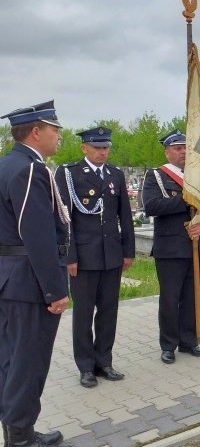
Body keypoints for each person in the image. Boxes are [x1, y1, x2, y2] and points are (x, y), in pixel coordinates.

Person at [0, 101, 71, 447]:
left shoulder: (6, 165)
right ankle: (21, 436)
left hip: (8, 276)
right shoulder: (30, 169)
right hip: (30, 280)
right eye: (54, 129)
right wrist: (55, 290)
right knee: (29, 362)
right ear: (36, 131)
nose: (59, 135)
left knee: (11, 359)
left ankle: (16, 428)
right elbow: (37, 233)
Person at [55, 127, 135, 388]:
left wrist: (128, 251)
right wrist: (70, 256)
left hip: (111, 255)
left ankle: (104, 362)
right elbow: (64, 219)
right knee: (83, 313)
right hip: (84, 258)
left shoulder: (115, 174)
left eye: (106, 147)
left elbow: (125, 216)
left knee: (109, 311)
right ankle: (86, 367)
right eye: (97, 147)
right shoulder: (69, 174)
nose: (102, 152)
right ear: (84, 148)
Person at [142, 130, 200, 363]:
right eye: (177, 148)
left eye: (186, 148)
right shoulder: (156, 176)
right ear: (167, 151)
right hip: (170, 248)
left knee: (194, 296)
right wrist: (185, 199)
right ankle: (168, 345)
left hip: (197, 243)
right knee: (170, 299)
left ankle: (189, 341)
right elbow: (151, 206)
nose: (183, 152)